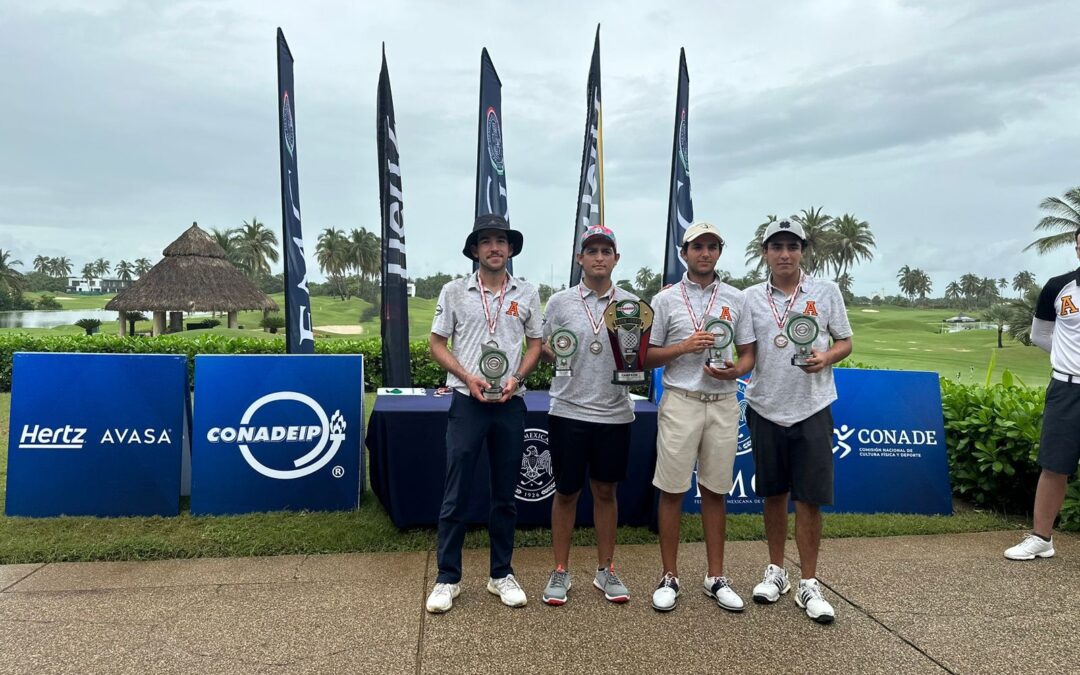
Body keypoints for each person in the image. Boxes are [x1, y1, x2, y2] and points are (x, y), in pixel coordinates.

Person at [425, 214, 542, 613]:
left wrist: (517, 378)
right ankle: (447, 578)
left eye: (501, 241)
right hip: (467, 402)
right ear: (475, 250)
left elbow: (535, 344)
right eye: (487, 241)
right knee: (456, 493)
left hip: (510, 403)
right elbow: (436, 343)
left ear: (510, 249)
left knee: (505, 495)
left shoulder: (527, 292)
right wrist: (467, 376)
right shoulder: (454, 291)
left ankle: (500, 574)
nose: (495, 247)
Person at [743, 217, 852, 625]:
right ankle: (776, 570)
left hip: (812, 407)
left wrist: (827, 356)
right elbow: (745, 350)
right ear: (765, 253)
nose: (785, 254)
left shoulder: (826, 292)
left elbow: (845, 342)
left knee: (809, 499)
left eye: (792, 246)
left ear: (802, 251)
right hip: (766, 407)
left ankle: (809, 581)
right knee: (773, 494)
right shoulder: (750, 298)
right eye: (777, 247)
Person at [643, 221, 756, 612]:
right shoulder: (665, 300)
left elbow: (748, 354)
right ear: (684, 253)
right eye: (697, 247)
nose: (705, 253)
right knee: (672, 490)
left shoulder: (736, 298)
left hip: (723, 401)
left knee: (715, 491)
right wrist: (684, 347)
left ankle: (715, 577)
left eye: (712, 247)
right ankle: (669, 576)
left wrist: (737, 370)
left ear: (719, 252)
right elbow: (646, 356)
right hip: (682, 400)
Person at [539, 224, 638, 606]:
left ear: (616, 258)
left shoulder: (631, 304)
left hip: (615, 412)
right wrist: (559, 352)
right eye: (592, 251)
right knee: (566, 492)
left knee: (606, 492)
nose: (599, 257)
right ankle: (560, 570)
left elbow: (641, 351)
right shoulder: (560, 302)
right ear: (580, 258)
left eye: (605, 251)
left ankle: (605, 570)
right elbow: (541, 345)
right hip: (568, 410)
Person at [1005, 228, 1080, 561]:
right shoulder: (1058, 287)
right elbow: (1040, 335)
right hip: (1066, 388)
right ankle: (1041, 538)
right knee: (1054, 465)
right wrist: (1067, 359)